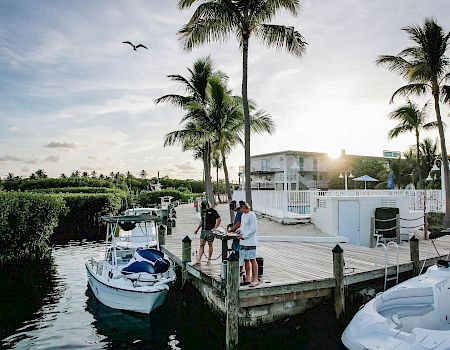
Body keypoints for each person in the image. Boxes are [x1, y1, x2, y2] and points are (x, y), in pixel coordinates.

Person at [236, 202, 258, 287]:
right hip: (243, 241)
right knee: (245, 259)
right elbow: (243, 227)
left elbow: (253, 229)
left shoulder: (252, 215)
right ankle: (248, 278)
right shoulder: (243, 215)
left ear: (244, 207)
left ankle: (255, 279)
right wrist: (239, 230)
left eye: (240, 209)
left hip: (250, 241)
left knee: (252, 259)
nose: (240, 211)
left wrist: (244, 236)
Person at [194, 200, 221, 265]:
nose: (203, 208)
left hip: (210, 231)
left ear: (207, 205)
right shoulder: (203, 212)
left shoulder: (213, 211)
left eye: (204, 207)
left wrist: (215, 228)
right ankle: (198, 260)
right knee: (201, 245)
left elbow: (219, 219)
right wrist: (197, 229)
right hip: (203, 230)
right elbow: (202, 221)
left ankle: (209, 259)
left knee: (210, 244)